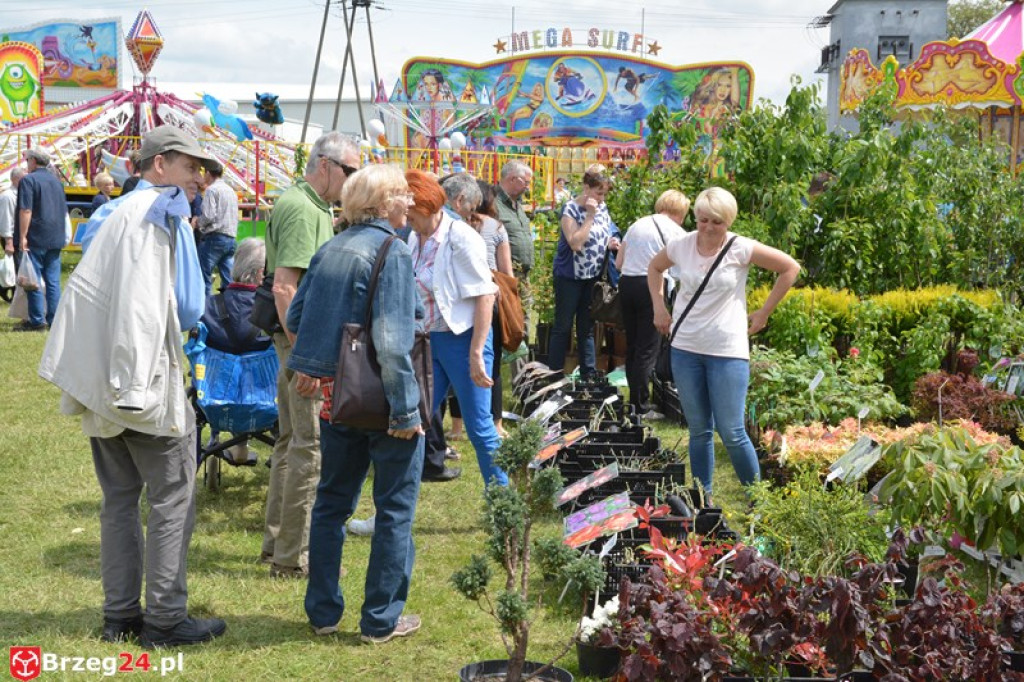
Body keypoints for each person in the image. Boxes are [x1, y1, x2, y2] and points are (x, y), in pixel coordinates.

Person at [37, 124, 227, 648]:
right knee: (172, 497)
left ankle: (120, 615)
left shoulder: (110, 212)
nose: (198, 179)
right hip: (143, 378)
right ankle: (165, 618)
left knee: (119, 499)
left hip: (105, 376)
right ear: (160, 164)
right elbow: (188, 306)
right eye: (192, 167)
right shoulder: (165, 215)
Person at [286, 164, 424, 644]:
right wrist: (408, 411)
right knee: (394, 511)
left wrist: (313, 366)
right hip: (386, 403)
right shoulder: (394, 250)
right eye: (404, 194)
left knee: (331, 505)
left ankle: (323, 612)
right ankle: (381, 620)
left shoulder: (330, 247)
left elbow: (297, 315)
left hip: (338, 400)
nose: (410, 201)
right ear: (384, 203)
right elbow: (390, 342)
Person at [648, 187, 800, 501]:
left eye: (716, 222)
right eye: (703, 220)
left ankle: (758, 503)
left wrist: (764, 312)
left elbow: (790, 268)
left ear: (728, 221)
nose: (707, 227)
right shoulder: (682, 245)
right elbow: (654, 268)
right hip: (686, 348)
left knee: (732, 431)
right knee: (699, 429)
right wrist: (659, 307)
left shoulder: (740, 248)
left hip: (727, 350)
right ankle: (703, 499)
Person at [261, 131, 360, 579]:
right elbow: (285, 287)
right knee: (308, 446)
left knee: (288, 442)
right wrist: (305, 358)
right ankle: (290, 556)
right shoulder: (304, 209)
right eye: (350, 171)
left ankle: (276, 543)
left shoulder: (308, 205)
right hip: (302, 344)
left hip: (295, 341)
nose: (353, 180)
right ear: (325, 165)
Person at [406, 169, 507, 487]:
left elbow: (486, 295)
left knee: (479, 428)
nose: (403, 217)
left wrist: (477, 353)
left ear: (425, 207)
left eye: (408, 210)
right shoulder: (413, 236)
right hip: (427, 341)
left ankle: (505, 508)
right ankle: (390, 513)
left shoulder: (461, 238)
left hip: (464, 341)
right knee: (412, 422)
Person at [615, 189, 690, 419]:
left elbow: (619, 263)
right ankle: (641, 407)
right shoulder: (676, 231)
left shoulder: (637, 224)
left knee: (634, 346)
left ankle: (635, 402)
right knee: (649, 348)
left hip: (627, 284)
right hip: (651, 287)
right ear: (680, 212)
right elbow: (680, 270)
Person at [200, 237, 272, 465]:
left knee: (231, 369)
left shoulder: (208, 306)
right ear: (262, 273)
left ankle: (238, 447)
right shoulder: (275, 311)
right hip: (267, 401)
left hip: (216, 401)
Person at [547, 163, 620, 376]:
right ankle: (553, 374)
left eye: (604, 194)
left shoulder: (602, 208)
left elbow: (605, 232)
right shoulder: (570, 209)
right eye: (599, 193)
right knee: (563, 326)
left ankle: (588, 375)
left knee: (587, 327)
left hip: (592, 276)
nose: (602, 199)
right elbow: (576, 243)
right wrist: (589, 215)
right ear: (586, 188)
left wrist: (611, 241)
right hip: (569, 276)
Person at [15, 148, 68, 332]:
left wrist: (22, 236)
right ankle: (54, 319)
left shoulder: (28, 180)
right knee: (53, 280)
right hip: (56, 235)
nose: (26, 163)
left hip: (36, 235)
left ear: (34, 161)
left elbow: (26, 210)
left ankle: (37, 320)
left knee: (33, 278)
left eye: (27, 159)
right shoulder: (56, 181)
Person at [495, 160, 534, 333]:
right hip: (506, 276)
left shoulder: (516, 204)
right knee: (510, 323)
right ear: (512, 179)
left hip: (523, 276)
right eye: (525, 182)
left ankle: (521, 360)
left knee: (523, 321)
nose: (528, 187)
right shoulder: (493, 204)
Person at [197, 162, 239, 296]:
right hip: (231, 238)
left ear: (208, 173)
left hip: (215, 237)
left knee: (204, 277)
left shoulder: (212, 190)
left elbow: (208, 215)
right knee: (229, 279)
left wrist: (198, 223)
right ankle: (232, 306)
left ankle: (205, 310)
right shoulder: (230, 190)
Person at [1, 167, 26, 260]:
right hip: (13, 238)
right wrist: (8, 241)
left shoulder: (23, 194)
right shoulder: (7, 196)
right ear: (14, 179)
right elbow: (6, 219)